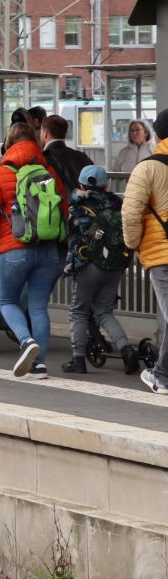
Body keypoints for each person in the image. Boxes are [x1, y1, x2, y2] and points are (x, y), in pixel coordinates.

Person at [0, 121, 68, 379]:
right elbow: (63, 209)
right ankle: (39, 365)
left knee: (6, 301)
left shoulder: (0, 172)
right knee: (38, 306)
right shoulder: (48, 170)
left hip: (14, 248)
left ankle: (26, 341)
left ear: (9, 142)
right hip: (49, 249)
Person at [63, 163, 138, 376]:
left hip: (87, 264)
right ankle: (126, 351)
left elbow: (70, 230)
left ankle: (78, 360)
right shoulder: (116, 204)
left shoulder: (78, 203)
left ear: (81, 184)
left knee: (78, 311)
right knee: (104, 311)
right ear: (106, 186)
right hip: (114, 265)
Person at [123, 109, 168, 393]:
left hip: (161, 254)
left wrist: (132, 244)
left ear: (158, 133)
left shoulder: (148, 168)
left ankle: (162, 376)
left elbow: (130, 215)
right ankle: (162, 374)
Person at [41, 114, 92, 196]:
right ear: (64, 133)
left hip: (56, 207)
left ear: (45, 133)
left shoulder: (43, 158)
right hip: (83, 206)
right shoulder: (82, 157)